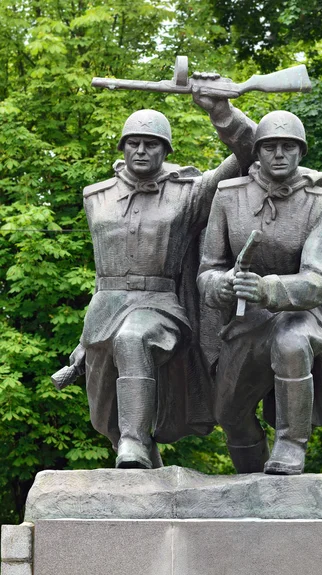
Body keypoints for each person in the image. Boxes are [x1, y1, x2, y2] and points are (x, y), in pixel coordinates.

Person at [68, 79, 255, 469]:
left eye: (151, 143)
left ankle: (135, 445)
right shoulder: (95, 196)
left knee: (133, 338)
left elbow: (251, 153)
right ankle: (141, 460)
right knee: (104, 418)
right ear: (122, 147)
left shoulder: (188, 192)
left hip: (161, 304)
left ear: (165, 150)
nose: (141, 149)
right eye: (133, 142)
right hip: (104, 307)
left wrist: (220, 110)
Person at [198, 110, 322, 475]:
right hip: (245, 319)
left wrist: (266, 288)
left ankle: (291, 446)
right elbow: (208, 267)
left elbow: (319, 280)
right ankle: (249, 481)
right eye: (270, 146)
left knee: (292, 344)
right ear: (257, 152)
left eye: (288, 146)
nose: (279, 154)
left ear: (301, 152)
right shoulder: (228, 196)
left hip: (300, 313)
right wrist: (222, 284)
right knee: (228, 414)